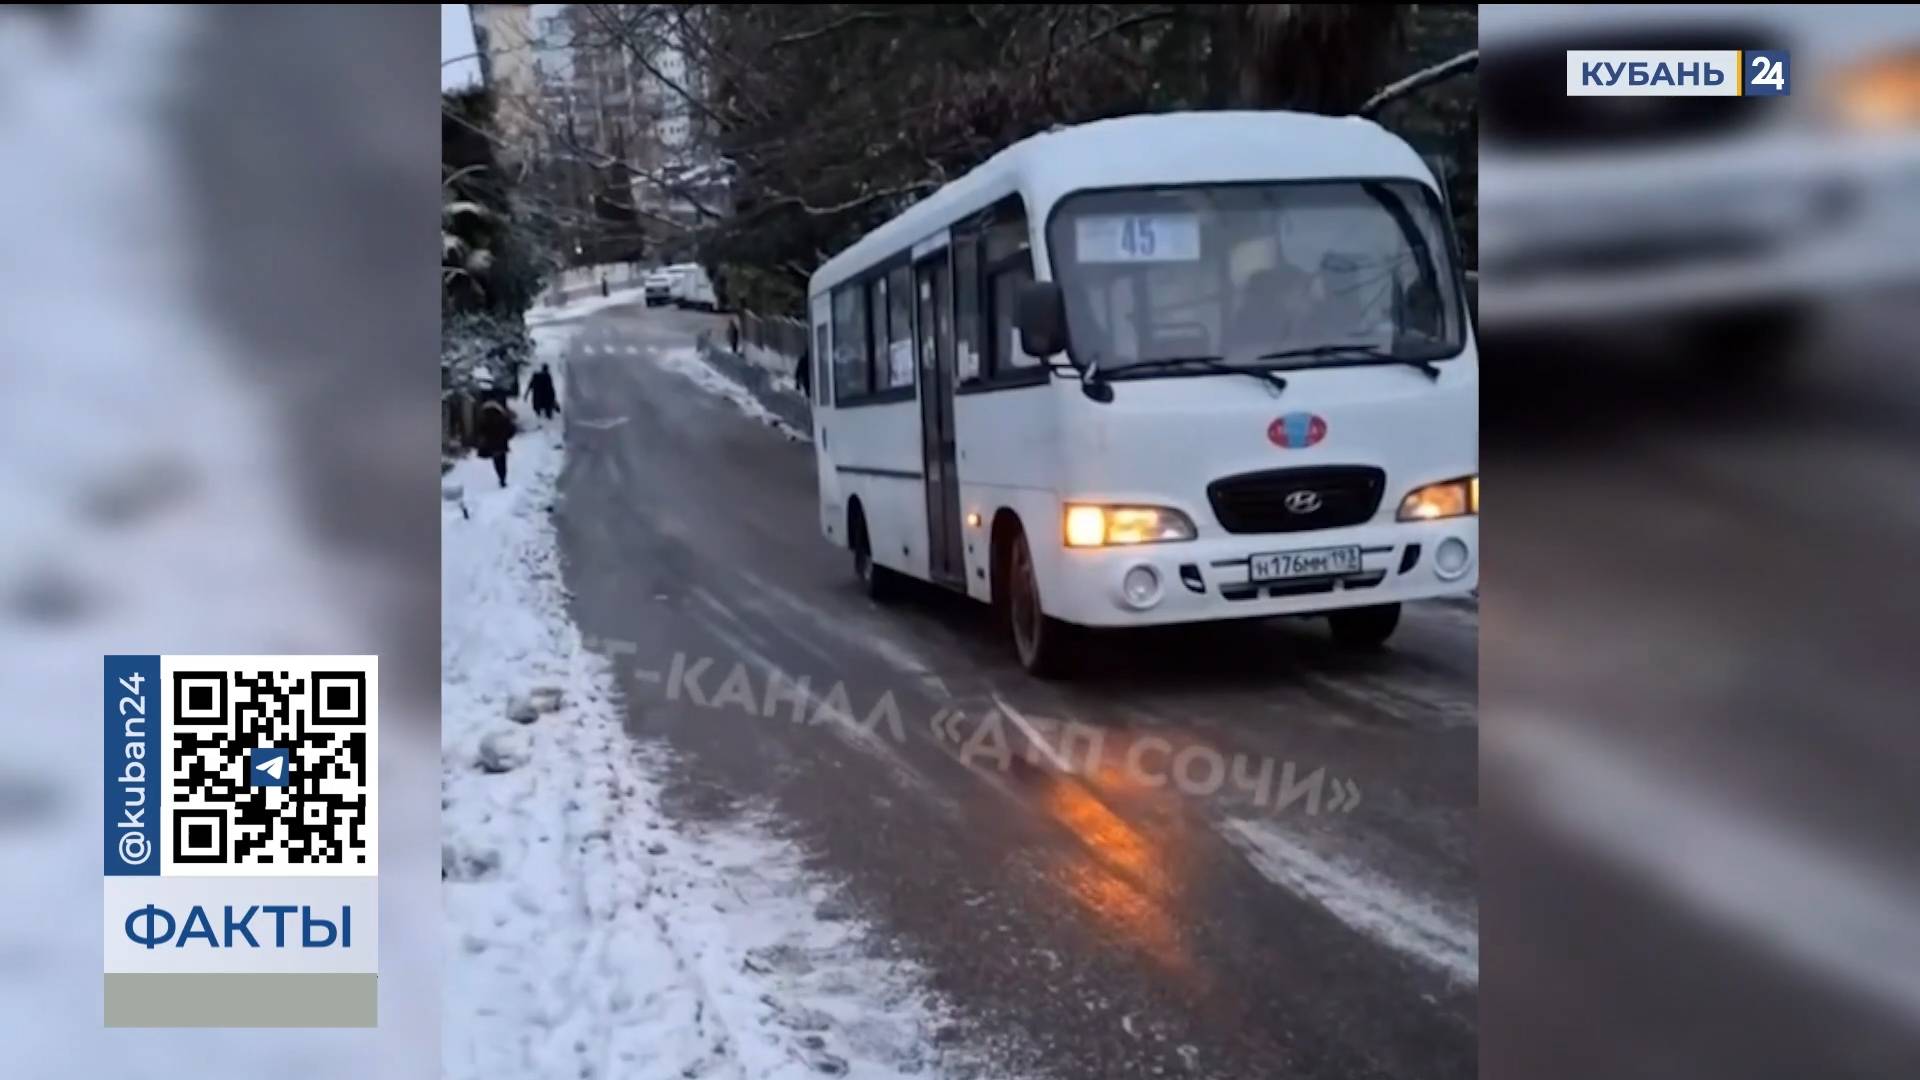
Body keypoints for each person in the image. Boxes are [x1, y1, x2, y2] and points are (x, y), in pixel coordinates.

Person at [473, 389, 516, 488]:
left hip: (492, 444)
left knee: (497, 462)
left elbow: (480, 430)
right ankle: (503, 478)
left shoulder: (484, 415)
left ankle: (501, 477)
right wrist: (507, 437)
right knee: (502, 462)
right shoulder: (502, 415)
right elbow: (511, 429)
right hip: (501, 443)